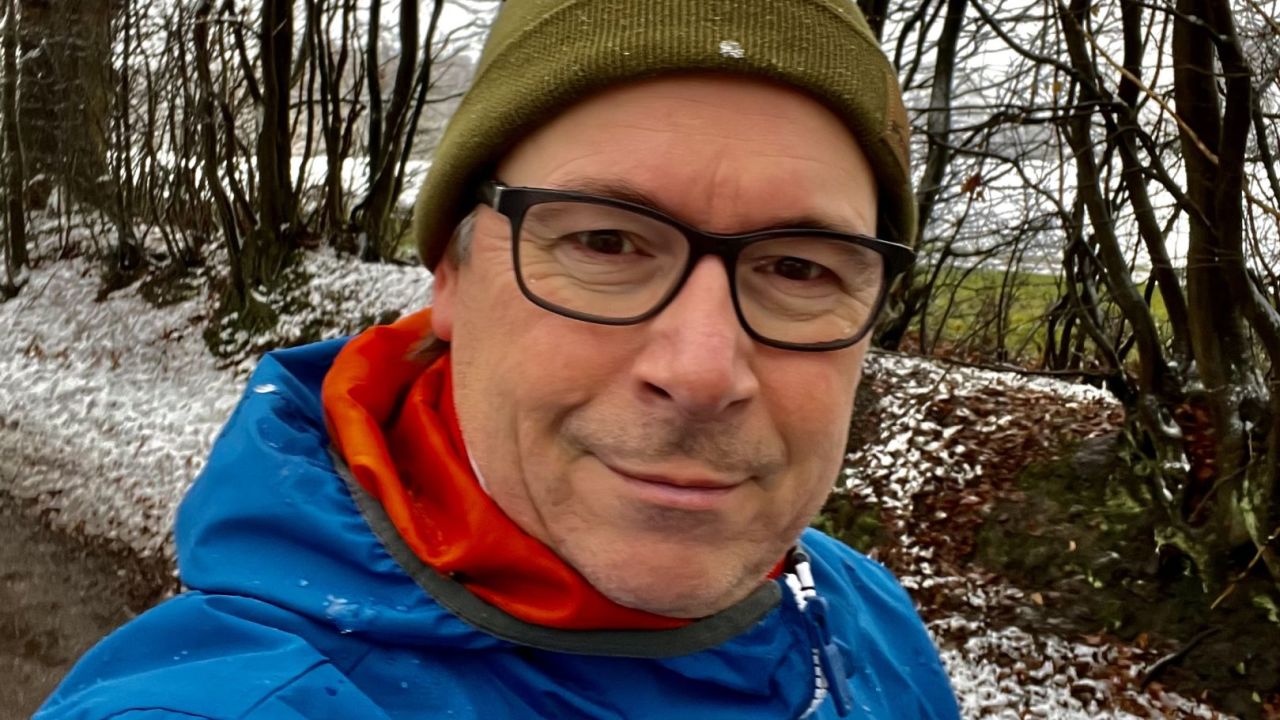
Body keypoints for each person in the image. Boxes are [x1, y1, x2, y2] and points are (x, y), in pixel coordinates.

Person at [38, 1, 960, 718]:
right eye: (605, 242)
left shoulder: (862, 617)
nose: (704, 371)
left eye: (799, 268)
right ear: (451, 271)